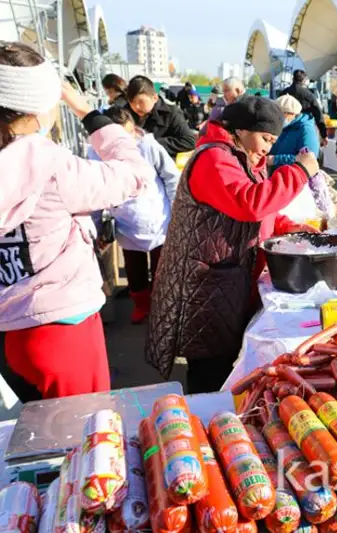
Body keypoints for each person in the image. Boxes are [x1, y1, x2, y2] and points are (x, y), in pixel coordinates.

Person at [0, 41, 152, 401]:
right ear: (38, 111)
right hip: (61, 335)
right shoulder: (51, 166)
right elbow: (135, 174)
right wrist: (88, 113)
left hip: (10, 336)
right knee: (85, 442)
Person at [146, 96, 319, 392]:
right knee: (209, 373)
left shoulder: (249, 159)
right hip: (205, 286)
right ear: (241, 130)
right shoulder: (213, 159)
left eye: (273, 141)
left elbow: (263, 214)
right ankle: (202, 429)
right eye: (265, 138)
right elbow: (248, 203)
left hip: (230, 283)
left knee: (227, 367)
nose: (268, 147)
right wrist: (299, 172)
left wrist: (291, 229)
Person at [88, 107, 180, 324]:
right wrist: (97, 226)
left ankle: (162, 308)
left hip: (158, 218)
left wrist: (177, 211)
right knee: (134, 268)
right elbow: (93, 189)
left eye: (127, 135)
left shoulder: (147, 145)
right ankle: (141, 304)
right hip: (125, 221)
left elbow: (171, 177)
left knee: (162, 268)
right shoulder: (95, 153)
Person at [126, 75, 196, 159]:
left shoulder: (171, 113)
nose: (136, 106)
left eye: (141, 102)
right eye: (132, 102)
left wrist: (152, 144)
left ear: (154, 98)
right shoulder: (125, 113)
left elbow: (189, 141)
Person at [270, 94, 320, 167]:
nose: (276, 117)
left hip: (294, 175)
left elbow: (308, 159)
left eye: (280, 114)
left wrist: (275, 159)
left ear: (292, 114)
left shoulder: (306, 130)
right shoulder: (283, 127)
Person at [279, 70, 327, 145]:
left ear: (293, 79)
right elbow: (318, 115)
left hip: (285, 129)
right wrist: (324, 134)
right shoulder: (309, 95)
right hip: (303, 129)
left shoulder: (283, 93)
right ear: (304, 80)